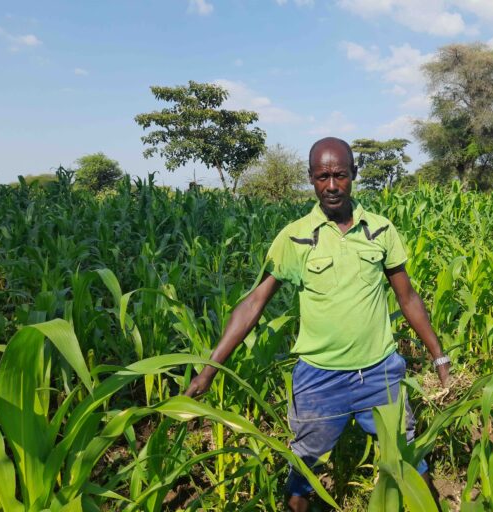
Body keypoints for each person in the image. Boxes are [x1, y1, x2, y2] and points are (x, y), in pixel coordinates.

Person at [185, 137, 450, 511]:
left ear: (354, 175)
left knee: (408, 457)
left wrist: (439, 359)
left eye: (340, 175)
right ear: (310, 178)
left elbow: (408, 299)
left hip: (380, 373)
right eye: (322, 176)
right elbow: (253, 304)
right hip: (319, 379)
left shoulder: (380, 230)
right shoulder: (294, 238)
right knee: (303, 474)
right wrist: (208, 371)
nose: (331, 186)